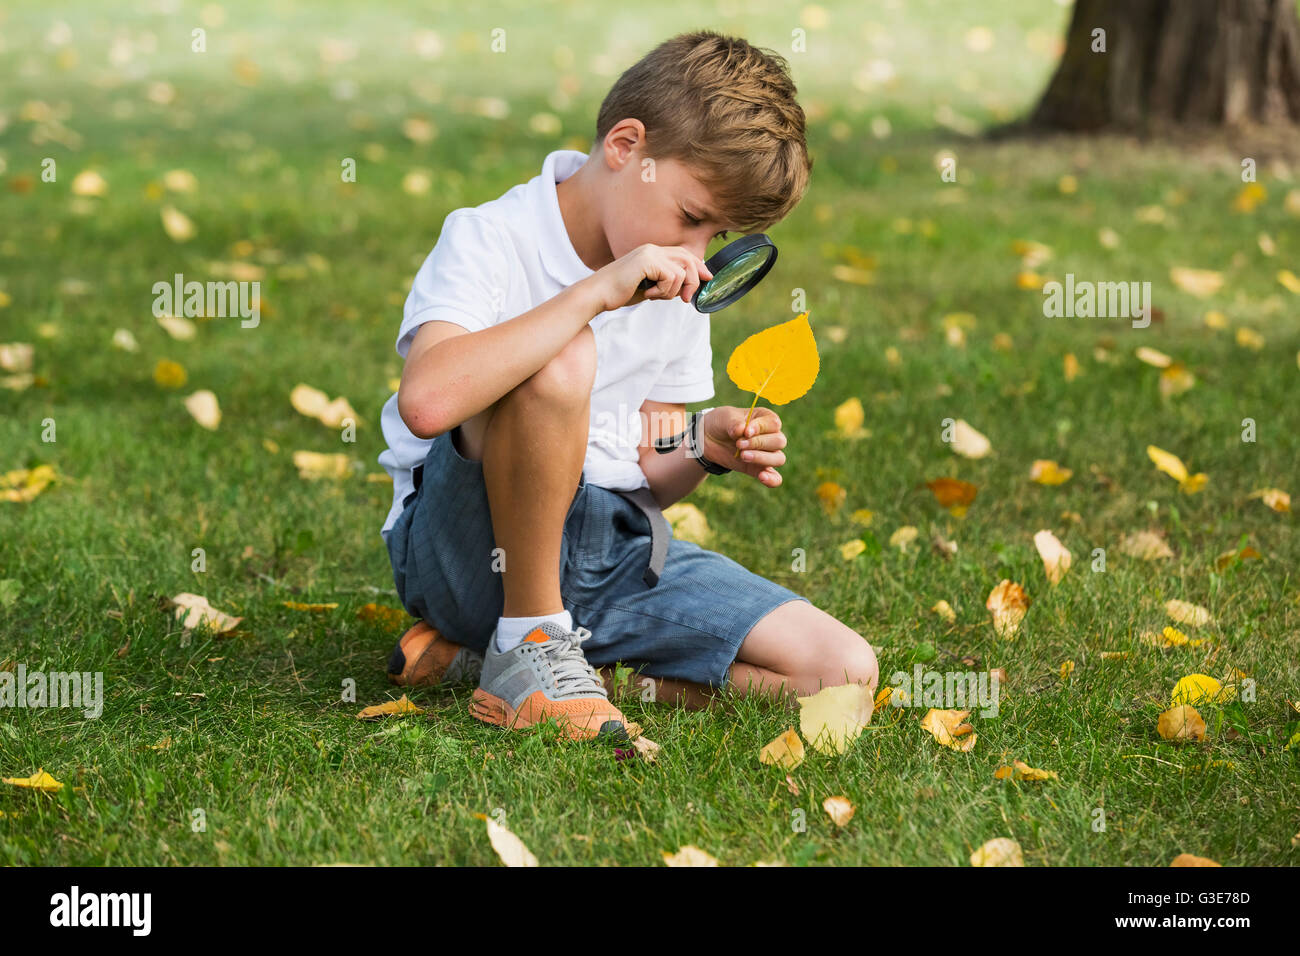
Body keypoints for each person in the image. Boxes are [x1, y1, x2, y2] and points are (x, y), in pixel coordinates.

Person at [378, 30, 877, 743]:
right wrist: (593, 295)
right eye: (692, 218)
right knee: (561, 359)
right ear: (625, 147)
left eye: (716, 234)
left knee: (843, 670)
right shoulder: (489, 237)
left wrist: (703, 444)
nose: (696, 256)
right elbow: (426, 403)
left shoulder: (677, 285)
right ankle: (527, 646)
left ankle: (544, 671)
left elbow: (649, 470)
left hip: (604, 550)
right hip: (468, 550)